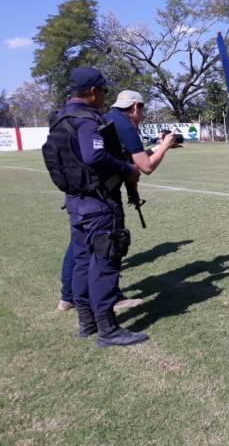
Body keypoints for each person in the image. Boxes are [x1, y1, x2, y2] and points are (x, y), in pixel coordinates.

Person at [47, 66, 148, 346]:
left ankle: (86, 322)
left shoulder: (60, 118)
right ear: (93, 92)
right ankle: (108, 329)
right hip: (99, 203)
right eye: (103, 90)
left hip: (75, 202)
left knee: (82, 260)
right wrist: (127, 169)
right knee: (105, 261)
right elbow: (94, 156)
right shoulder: (87, 119)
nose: (104, 95)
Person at [56, 91, 177, 312]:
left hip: (80, 192)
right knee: (108, 246)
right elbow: (145, 166)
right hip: (102, 197)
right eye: (142, 109)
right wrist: (165, 146)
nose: (142, 114)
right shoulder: (125, 125)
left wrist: (155, 148)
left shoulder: (107, 119)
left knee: (80, 246)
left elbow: (126, 156)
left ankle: (68, 297)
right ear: (135, 107)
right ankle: (110, 300)